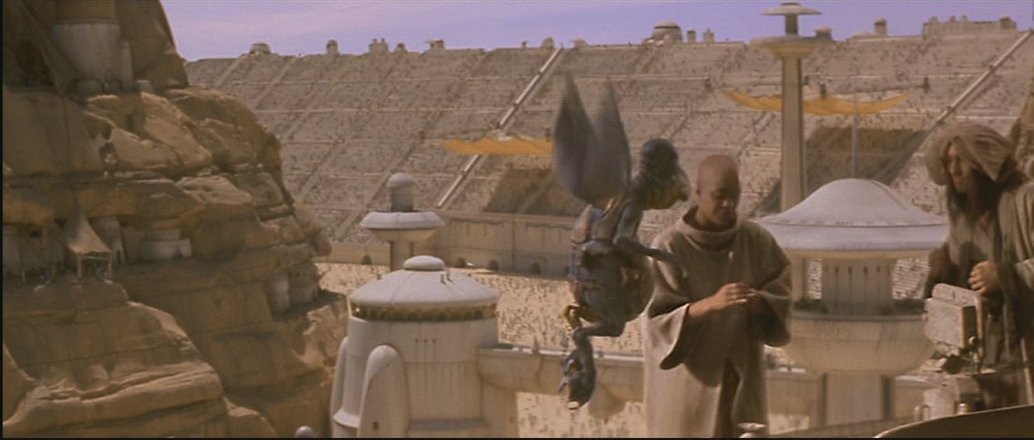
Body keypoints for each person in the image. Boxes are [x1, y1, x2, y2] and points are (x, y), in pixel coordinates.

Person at [642, 154, 791, 437]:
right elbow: (656, 324)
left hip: (740, 380)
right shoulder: (669, 247)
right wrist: (709, 305)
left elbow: (781, 293)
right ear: (698, 193)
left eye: (734, 196)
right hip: (689, 391)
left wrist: (760, 303)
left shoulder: (755, 240)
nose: (728, 204)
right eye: (719, 196)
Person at [924, 121, 1034, 408]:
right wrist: (943, 273)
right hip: (990, 355)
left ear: (982, 164)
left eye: (961, 160)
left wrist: (1007, 275)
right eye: (948, 161)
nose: (954, 170)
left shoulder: (1026, 200)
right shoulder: (964, 216)